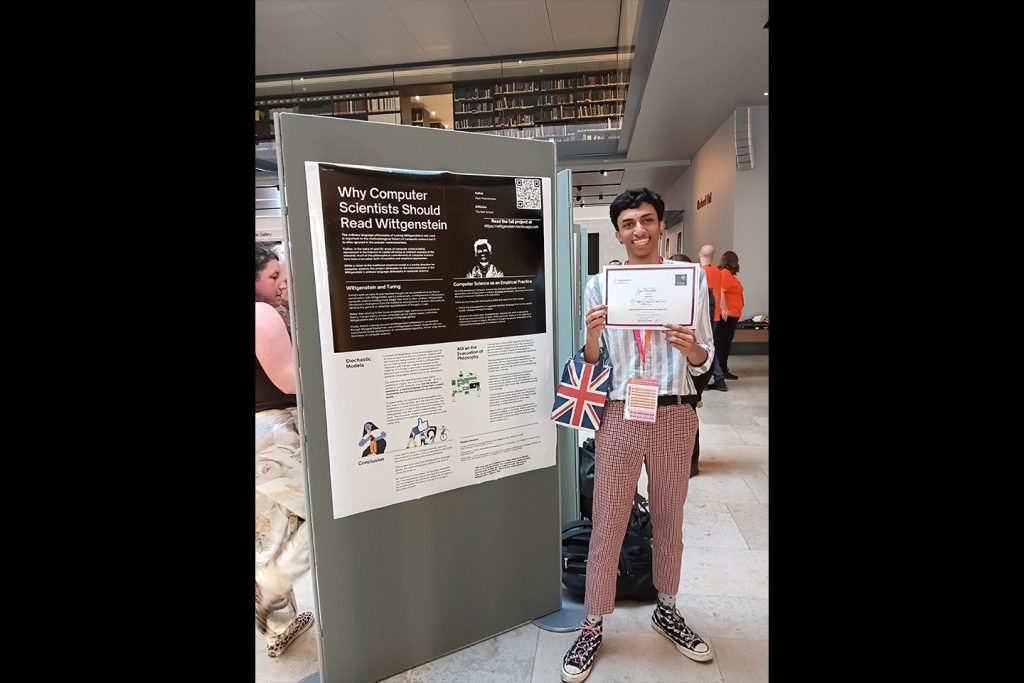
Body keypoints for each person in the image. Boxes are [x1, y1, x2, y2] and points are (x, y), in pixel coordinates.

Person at [561, 188, 715, 683]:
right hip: (621, 413)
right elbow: (591, 364)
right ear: (618, 232)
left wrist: (691, 348)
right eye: (628, 224)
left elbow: (706, 364)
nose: (639, 231)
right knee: (607, 520)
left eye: (646, 220)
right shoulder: (598, 286)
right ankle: (592, 624)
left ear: (660, 225)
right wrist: (589, 337)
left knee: (669, 519)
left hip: (673, 413)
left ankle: (666, 608)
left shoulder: (690, 281)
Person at [255, 243, 314, 658]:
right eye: (273, 277)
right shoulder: (261, 314)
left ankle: (278, 627)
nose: (281, 284)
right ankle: (272, 585)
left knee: (272, 532)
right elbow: (290, 380)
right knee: (320, 515)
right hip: (272, 434)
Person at [669, 253, 707, 476]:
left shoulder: (697, 297)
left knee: (691, 407)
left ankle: (692, 461)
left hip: (692, 368)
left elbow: (704, 345)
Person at [698, 244, 727, 392]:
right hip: (717, 314)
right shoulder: (718, 272)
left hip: (706, 314)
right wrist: (724, 310)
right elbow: (721, 293)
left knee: (706, 347)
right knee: (711, 345)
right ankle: (717, 378)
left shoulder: (699, 273)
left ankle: (718, 378)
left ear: (699, 254)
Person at [713, 250, 744, 382]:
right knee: (723, 343)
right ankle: (722, 370)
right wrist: (724, 309)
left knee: (725, 343)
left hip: (732, 315)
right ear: (732, 261)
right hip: (727, 315)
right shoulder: (725, 273)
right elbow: (721, 291)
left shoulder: (729, 275)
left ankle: (723, 369)